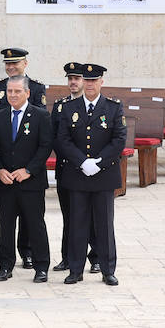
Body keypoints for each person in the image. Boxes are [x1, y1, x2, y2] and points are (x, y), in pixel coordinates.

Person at [54, 63, 125, 286]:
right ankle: (75, 270)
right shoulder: (69, 108)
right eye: (88, 80)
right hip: (77, 174)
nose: (91, 84)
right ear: (83, 82)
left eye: (95, 81)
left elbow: (119, 140)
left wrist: (99, 162)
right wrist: (82, 161)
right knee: (77, 224)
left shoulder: (113, 108)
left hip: (103, 176)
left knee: (104, 225)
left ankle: (107, 270)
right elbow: (62, 140)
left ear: (101, 82)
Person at [0, 48, 47, 270]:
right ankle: (4, 257)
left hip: (29, 170)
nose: (11, 67)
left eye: (15, 63)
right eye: (7, 64)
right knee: (6, 220)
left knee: (33, 220)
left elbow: (42, 136)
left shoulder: (37, 88)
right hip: (5, 168)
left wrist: (29, 169)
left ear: (25, 64)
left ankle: (29, 254)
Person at [51, 62, 96, 273]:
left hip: (90, 170)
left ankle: (95, 257)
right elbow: (56, 138)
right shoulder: (60, 106)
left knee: (93, 216)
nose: (73, 82)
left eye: (76, 79)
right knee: (69, 216)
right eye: (70, 79)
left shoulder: (93, 105)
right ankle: (67, 258)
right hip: (67, 168)